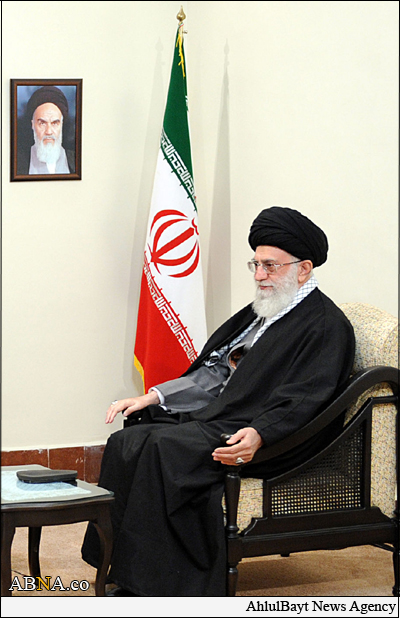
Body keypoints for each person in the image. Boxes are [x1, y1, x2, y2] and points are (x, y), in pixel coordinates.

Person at [81, 206, 355, 597]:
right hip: (225, 416)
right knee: (126, 441)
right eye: (256, 264)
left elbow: (307, 399)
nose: (259, 276)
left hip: (268, 435)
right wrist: (154, 395)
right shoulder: (265, 310)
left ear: (304, 269)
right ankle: (115, 563)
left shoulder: (326, 325)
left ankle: (157, 586)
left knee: (163, 450)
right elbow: (215, 371)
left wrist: (260, 433)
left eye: (270, 266)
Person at [17, 86, 75, 175]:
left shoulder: (76, 160)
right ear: (33, 125)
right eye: (42, 123)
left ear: (62, 125)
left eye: (55, 123)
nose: (48, 131)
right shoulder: (16, 162)